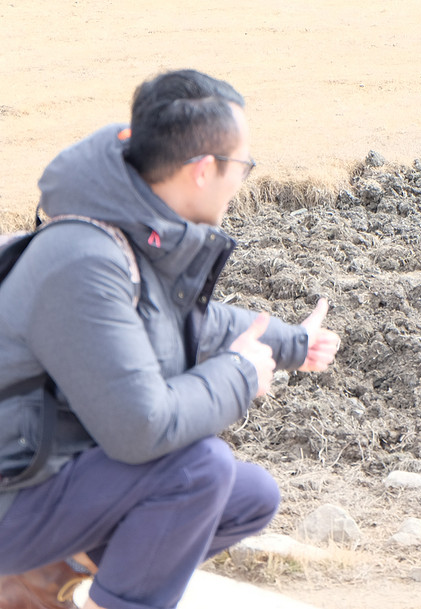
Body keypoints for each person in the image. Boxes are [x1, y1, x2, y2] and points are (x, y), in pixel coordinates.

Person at [0, 69, 341, 609]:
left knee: (248, 497)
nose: (242, 180)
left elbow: (188, 325)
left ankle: (42, 575)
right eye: (242, 166)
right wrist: (240, 375)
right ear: (204, 170)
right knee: (198, 468)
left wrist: (292, 342)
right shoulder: (83, 260)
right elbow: (142, 428)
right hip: (14, 489)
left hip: (44, 467)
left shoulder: (130, 231)